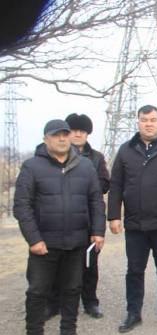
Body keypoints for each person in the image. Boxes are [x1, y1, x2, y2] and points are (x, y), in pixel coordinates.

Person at [13, 119, 106, 335]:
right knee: (37, 292)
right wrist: (34, 239)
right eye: (56, 135)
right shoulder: (32, 167)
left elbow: (96, 201)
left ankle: (68, 333)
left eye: (65, 134)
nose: (63, 138)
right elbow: (22, 206)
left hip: (77, 242)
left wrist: (98, 231)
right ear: (46, 139)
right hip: (44, 245)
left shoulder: (85, 166)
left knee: (73, 288)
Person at [108, 105, 157, 334]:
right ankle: (133, 313)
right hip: (135, 223)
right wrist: (113, 215)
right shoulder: (126, 150)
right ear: (138, 122)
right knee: (134, 270)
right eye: (144, 120)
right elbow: (116, 185)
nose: (149, 124)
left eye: (153, 120)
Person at [46, 113, 110, 319]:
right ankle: (54, 303)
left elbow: (104, 184)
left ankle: (90, 301)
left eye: (82, 131)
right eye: (73, 130)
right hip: (62, 219)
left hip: (88, 219)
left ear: (87, 134)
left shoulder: (96, 158)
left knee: (89, 264)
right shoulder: (55, 156)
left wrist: (84, 185)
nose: (78, 134)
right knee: (57, 263)